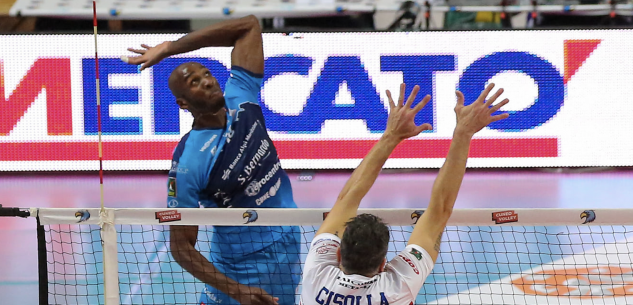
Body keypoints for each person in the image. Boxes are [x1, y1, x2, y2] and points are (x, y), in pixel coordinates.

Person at [123, 15, 299, 305]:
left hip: (289, 242)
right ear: (183, 103)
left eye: (206, 74)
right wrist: (236, 290)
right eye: (194, 82)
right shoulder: (189, 162)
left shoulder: (242, 94)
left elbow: (249, 25)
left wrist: (169, 47)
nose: (206, 82)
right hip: (240, 267)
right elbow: (181, 248)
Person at [300, 83, 510, 305]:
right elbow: (439, 210)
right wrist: (463, 132)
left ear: (339, 255)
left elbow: (348, 197)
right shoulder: (398, 285)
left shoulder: (317, 275)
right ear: (383, 263)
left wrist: (390, 136)